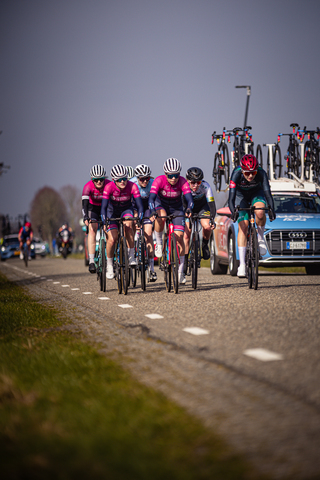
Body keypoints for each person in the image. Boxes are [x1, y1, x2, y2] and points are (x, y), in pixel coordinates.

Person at [228, 154, 276, 277]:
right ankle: (242, 264)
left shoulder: (261, 173)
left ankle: (260, 239)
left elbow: (268, 193)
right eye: (247, 173)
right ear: (242, 171)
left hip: (256, 193)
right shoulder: (236, 174)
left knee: (260, 212)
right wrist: (233, 211)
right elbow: (231, 198)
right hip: (240, 196)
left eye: (253, 173)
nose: (250, 176)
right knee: (243, 227)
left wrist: (271, 209)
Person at [148, 158, 193, 285]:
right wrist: (152, 210)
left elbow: (190, 200)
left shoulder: (183, 182)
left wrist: (189, 208)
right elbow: (151, 199)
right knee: (160, 215)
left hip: (176, 209)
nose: (173, 178)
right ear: (165, 174)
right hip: (161, 205)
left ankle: (180, 272)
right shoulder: (159, 180)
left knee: (179, 238)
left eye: (176, 175)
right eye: (170, 175)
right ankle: (160, 243)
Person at [101, 164, 143, 279]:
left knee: (129, 225)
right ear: (114, 180)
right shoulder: (109, 187)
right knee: (112, 239)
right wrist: (104, 221)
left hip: (126, 210)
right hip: (111, 211)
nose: (123, 182)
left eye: (125, 179)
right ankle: (109, 265)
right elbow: (103, 207)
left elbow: (139, 206)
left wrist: (138, 218)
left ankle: (131, 256)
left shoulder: (133, 186)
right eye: (119, 180)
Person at [183, 167, 216, 273]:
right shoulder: (183, 186)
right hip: (187, 207)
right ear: (187, 180)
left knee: (207, 226)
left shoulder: (206, 186)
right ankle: (185, 259)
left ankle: (205, 244)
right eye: (192, 182)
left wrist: (212, 219)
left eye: (198, 182)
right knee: (186, 234)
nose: (196, 185)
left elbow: (211, 205)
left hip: (203, 207)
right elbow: (180, 203)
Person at [131, 164, 157, 281]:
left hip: (147, 207)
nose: (145, 181)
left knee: (148, 234)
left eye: (147, 178)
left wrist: (153, 212)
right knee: (131, 225)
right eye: (142, 179)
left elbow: (155, 200)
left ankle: (151, 269)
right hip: (134, 206)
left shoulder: (153, 183)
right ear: (137, 178)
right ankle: (131, 250)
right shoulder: (132, 184)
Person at [82, 164, 109, 273]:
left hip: (105, 208)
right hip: (92, 208)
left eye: (101, 179)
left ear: (104, 179)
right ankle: (92, 261)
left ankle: (110, 256)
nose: (99, 182)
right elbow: (84, 205)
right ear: (92, 179)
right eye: (96, 180)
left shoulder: (109, 184)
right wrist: (86, 218)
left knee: (109, 229)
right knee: (92, 229)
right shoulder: (87, 187)